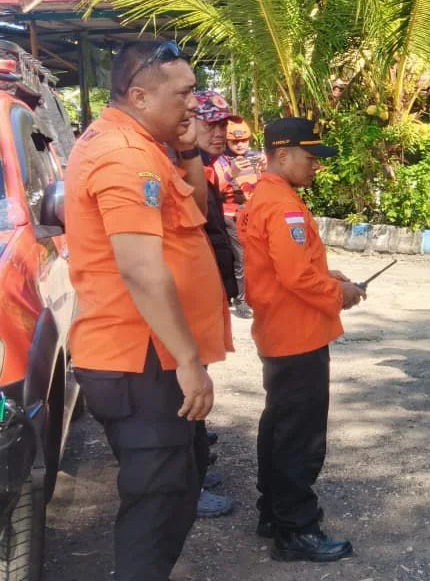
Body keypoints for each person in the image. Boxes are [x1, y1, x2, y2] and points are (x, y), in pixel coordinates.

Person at [66, 39, 224, 581]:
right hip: (141, 359)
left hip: (151, 355)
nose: (194, 104)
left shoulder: (145, 146)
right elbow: (139, 268)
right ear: (139, 96)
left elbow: (195, 212)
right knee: (157, 504)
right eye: (183, 93)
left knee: (180, 481)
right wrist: (188, 360)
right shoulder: (124, 156)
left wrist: (187, 151)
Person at [238, 118, 365, 563]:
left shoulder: (268, 197)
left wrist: (328, 275)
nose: (316, 166)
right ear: (282, 154)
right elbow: (295, 277)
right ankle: (296, 530)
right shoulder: (281, 205)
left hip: (281, 330)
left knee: (279, 425)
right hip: (297, 334)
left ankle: (274, 513)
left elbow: (283, 267)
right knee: (300, 437)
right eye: (310, 158)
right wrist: (340, 293)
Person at [190, 90, 240, 520]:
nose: (220, 132)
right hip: (187, 302)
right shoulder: (181, 171)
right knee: (185, 392)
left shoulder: (207, 170)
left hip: (207, 294)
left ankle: (197, 468)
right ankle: (188, 484)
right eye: (211, 124)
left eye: (223, 124)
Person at [214, 116, 265, 319]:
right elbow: (212, 189)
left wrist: (264, 169)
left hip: (252, 215)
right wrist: (231, 173)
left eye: (244, 140)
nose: (240, 145)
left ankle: (253, 294)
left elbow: (265, 186)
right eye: (235, 141)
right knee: (240, 258)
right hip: (230, 215)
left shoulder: (257, 158)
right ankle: (240, 299)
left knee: (256, 257)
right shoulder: (220, 161)